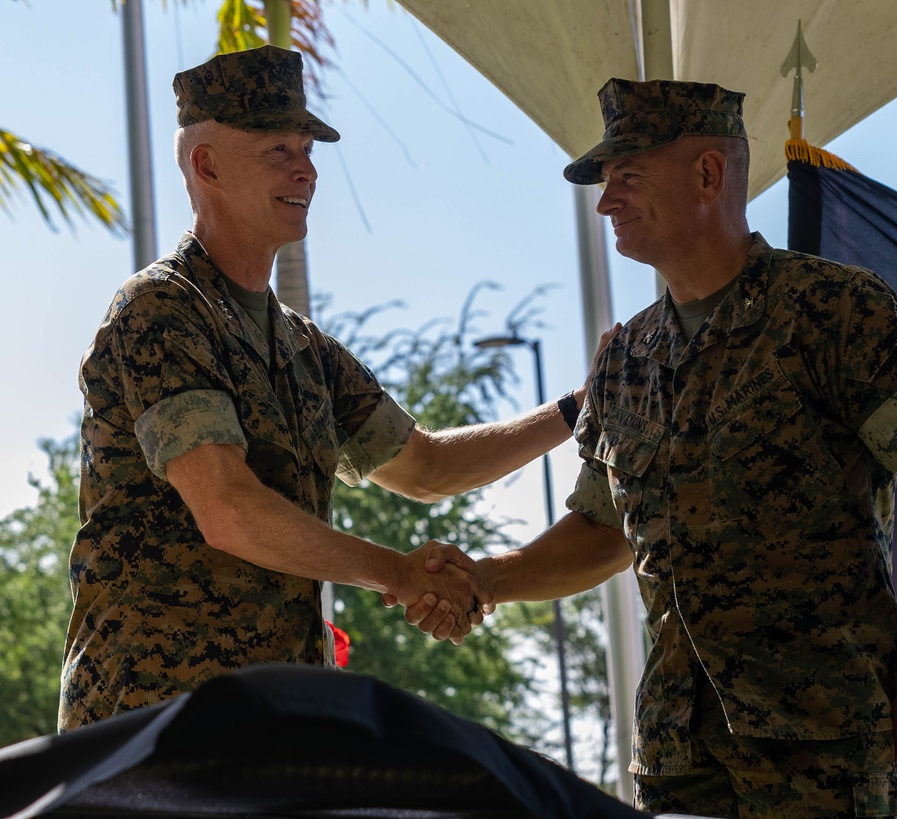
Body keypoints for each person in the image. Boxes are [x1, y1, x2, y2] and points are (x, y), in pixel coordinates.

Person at [404, 79, 897, 817]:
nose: (608, 200)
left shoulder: (835, 309)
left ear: (709, 175)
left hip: (827, 749)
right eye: (606, 183)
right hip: (680, 758)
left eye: (628, 176)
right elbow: (602, 532)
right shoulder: (623, 359)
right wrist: (483, 579)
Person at [57, 45, 602, 733]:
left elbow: (428, 467)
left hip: (273, 724)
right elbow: (227, 507)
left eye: (308, 148)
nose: (306, 169)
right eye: (277, 149)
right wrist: (399, 574)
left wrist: (580, 409)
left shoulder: (302, 348)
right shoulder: (160, 311)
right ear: (206, 164)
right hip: (152, 726)